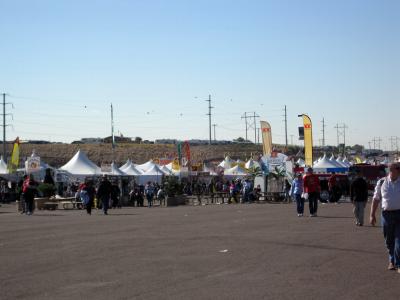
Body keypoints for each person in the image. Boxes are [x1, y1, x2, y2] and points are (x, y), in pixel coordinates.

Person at [370, 162, 400, 272]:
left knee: (399, 241)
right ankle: (392, 260)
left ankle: (397, 263)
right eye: (390, 169)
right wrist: (372, 214)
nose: (391, 171)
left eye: (393, 169)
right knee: (389, 240)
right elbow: (376, 199)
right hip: (386, 215)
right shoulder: (382, 182)